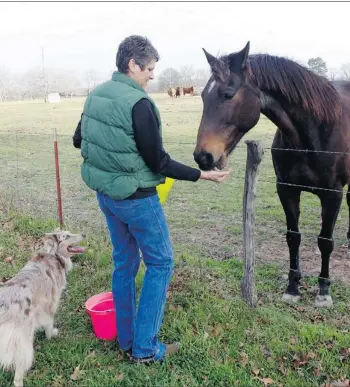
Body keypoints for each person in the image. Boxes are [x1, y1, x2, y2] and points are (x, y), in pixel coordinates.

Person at [73, 35, 231, 364]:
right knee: (160, 263)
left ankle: (127, 339)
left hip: (107, 197)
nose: (153, 75)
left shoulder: (96, 96)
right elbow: (158, 162)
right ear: (133, 64)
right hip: (137, 199)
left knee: (125, 264)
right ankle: (144, 349)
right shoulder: (139, 104)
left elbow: (79, 140)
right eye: (150, 68)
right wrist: (202, 174)